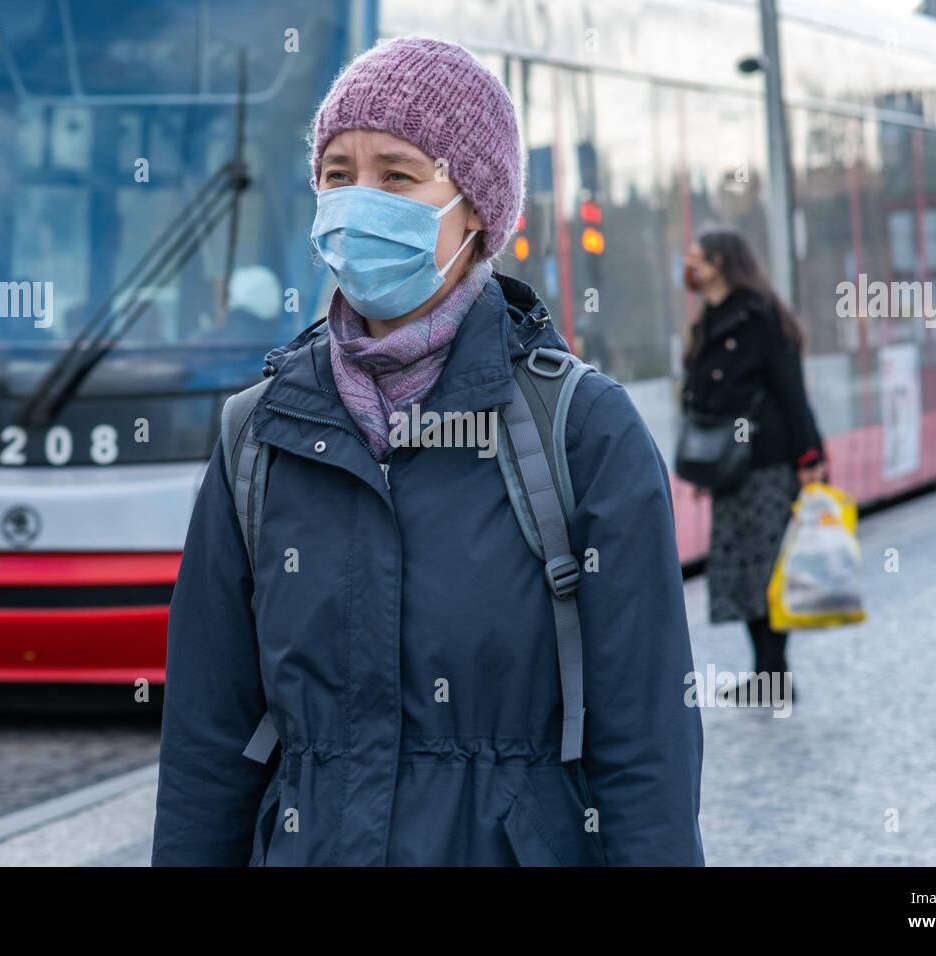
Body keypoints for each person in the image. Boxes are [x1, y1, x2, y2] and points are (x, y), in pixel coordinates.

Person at [152, 36, 704, 866]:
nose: (358, 200)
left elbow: (646, 745)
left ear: (475, 208)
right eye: (338, 175)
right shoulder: (256, 435)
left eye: (398, 175)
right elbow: (207, 743)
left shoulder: (583, 431)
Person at [681, 228, 826, 706]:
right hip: (730, 466)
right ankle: (765, 673)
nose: (690, 265)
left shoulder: (761, 317)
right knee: (741, 570)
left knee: (768, 572)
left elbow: (791, 392)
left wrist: (809, 458)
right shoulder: (710, 319)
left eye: (697, 257)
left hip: (767, 460)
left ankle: (776, 674)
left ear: (721, 262)